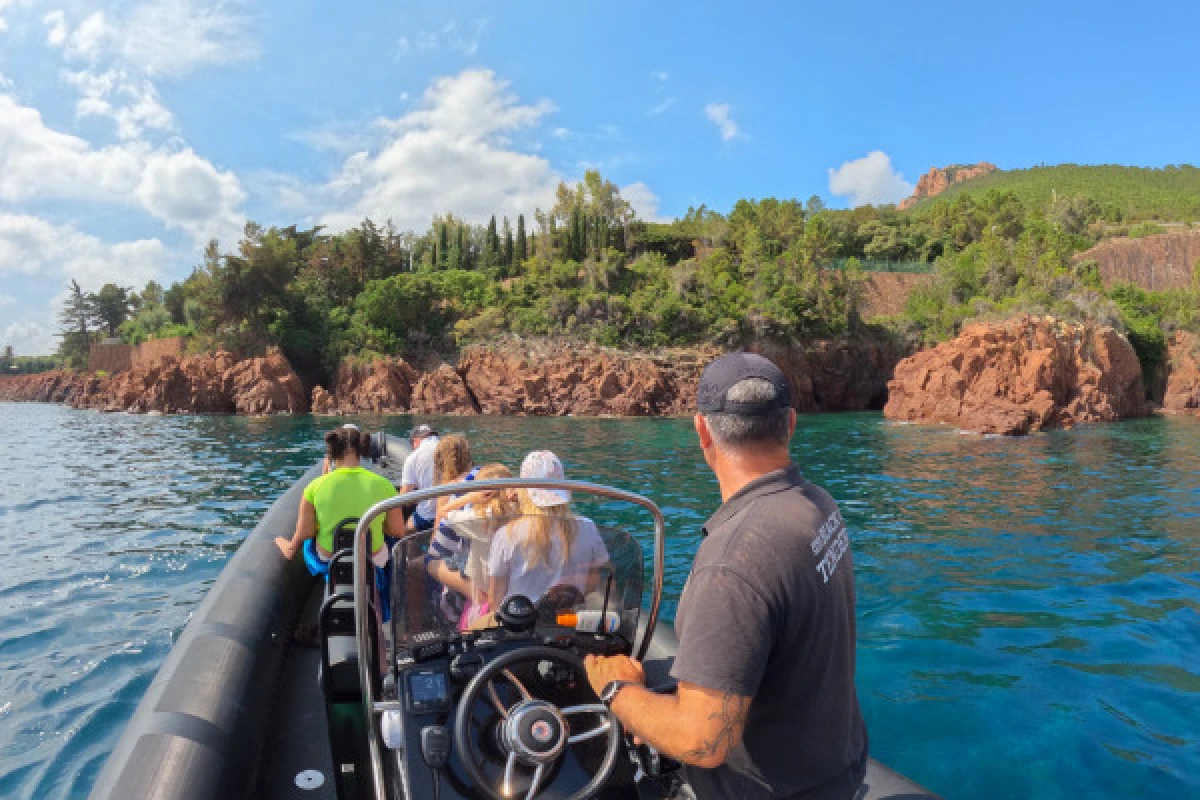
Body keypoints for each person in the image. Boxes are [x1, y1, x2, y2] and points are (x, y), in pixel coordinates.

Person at [583, 353, 868, 800]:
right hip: (837, 774)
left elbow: (705, 741)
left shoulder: (733, 561)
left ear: (702, 431)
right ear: (790, 423)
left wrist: (615, 688)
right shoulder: (818, 505)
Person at [275, 424, 405, 572]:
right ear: (360, 452)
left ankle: (292, 551)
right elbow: (398, 531)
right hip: (373, 558)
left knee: (308, 542)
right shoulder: (384, 485)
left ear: (330, 455)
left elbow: (306, 532)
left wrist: (292, 546)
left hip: (330, 557)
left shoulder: (314, 487)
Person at [486, 450, 609, 605]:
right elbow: (593, 583)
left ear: (524, 490)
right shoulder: (588, 528)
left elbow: (496, 596)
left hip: (520, 623)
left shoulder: (507, 535)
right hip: (569, 620)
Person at [400, 424, 439, 531]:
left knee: (406, 529)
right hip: (452, 514)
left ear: (415, 440)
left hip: (428, 519)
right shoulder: (449, 449)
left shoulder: (413, 457)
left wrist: (419, 497)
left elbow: (404, 499)